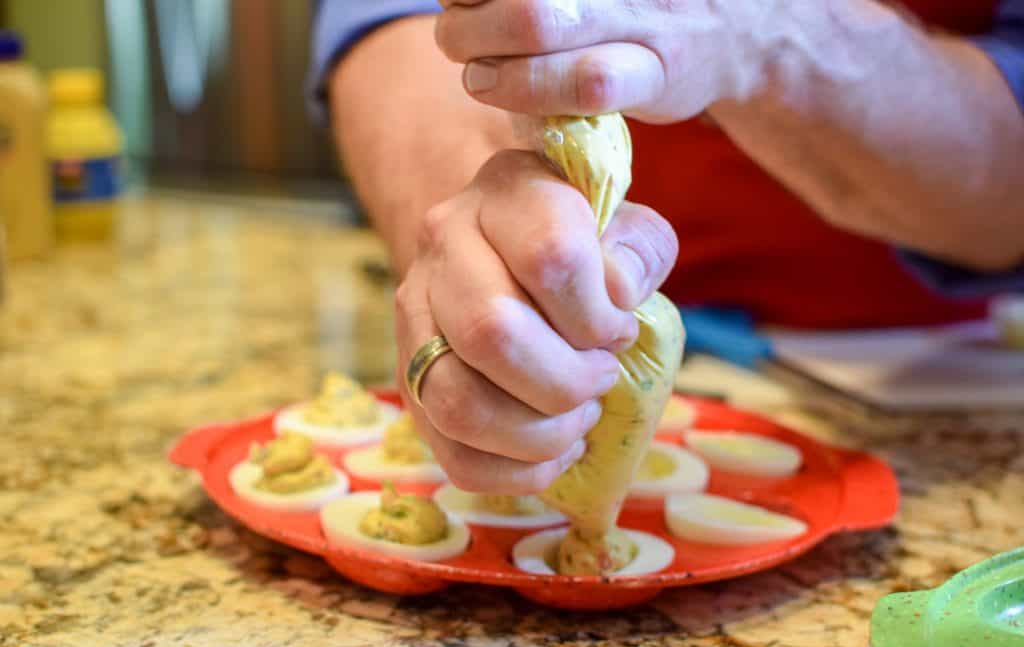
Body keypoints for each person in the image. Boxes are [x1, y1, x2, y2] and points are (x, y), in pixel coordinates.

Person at [310, 0, 1024, 493]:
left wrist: (768, 33)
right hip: (580, 375)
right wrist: (485, 262)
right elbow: (391, 25)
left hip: (924, 379)